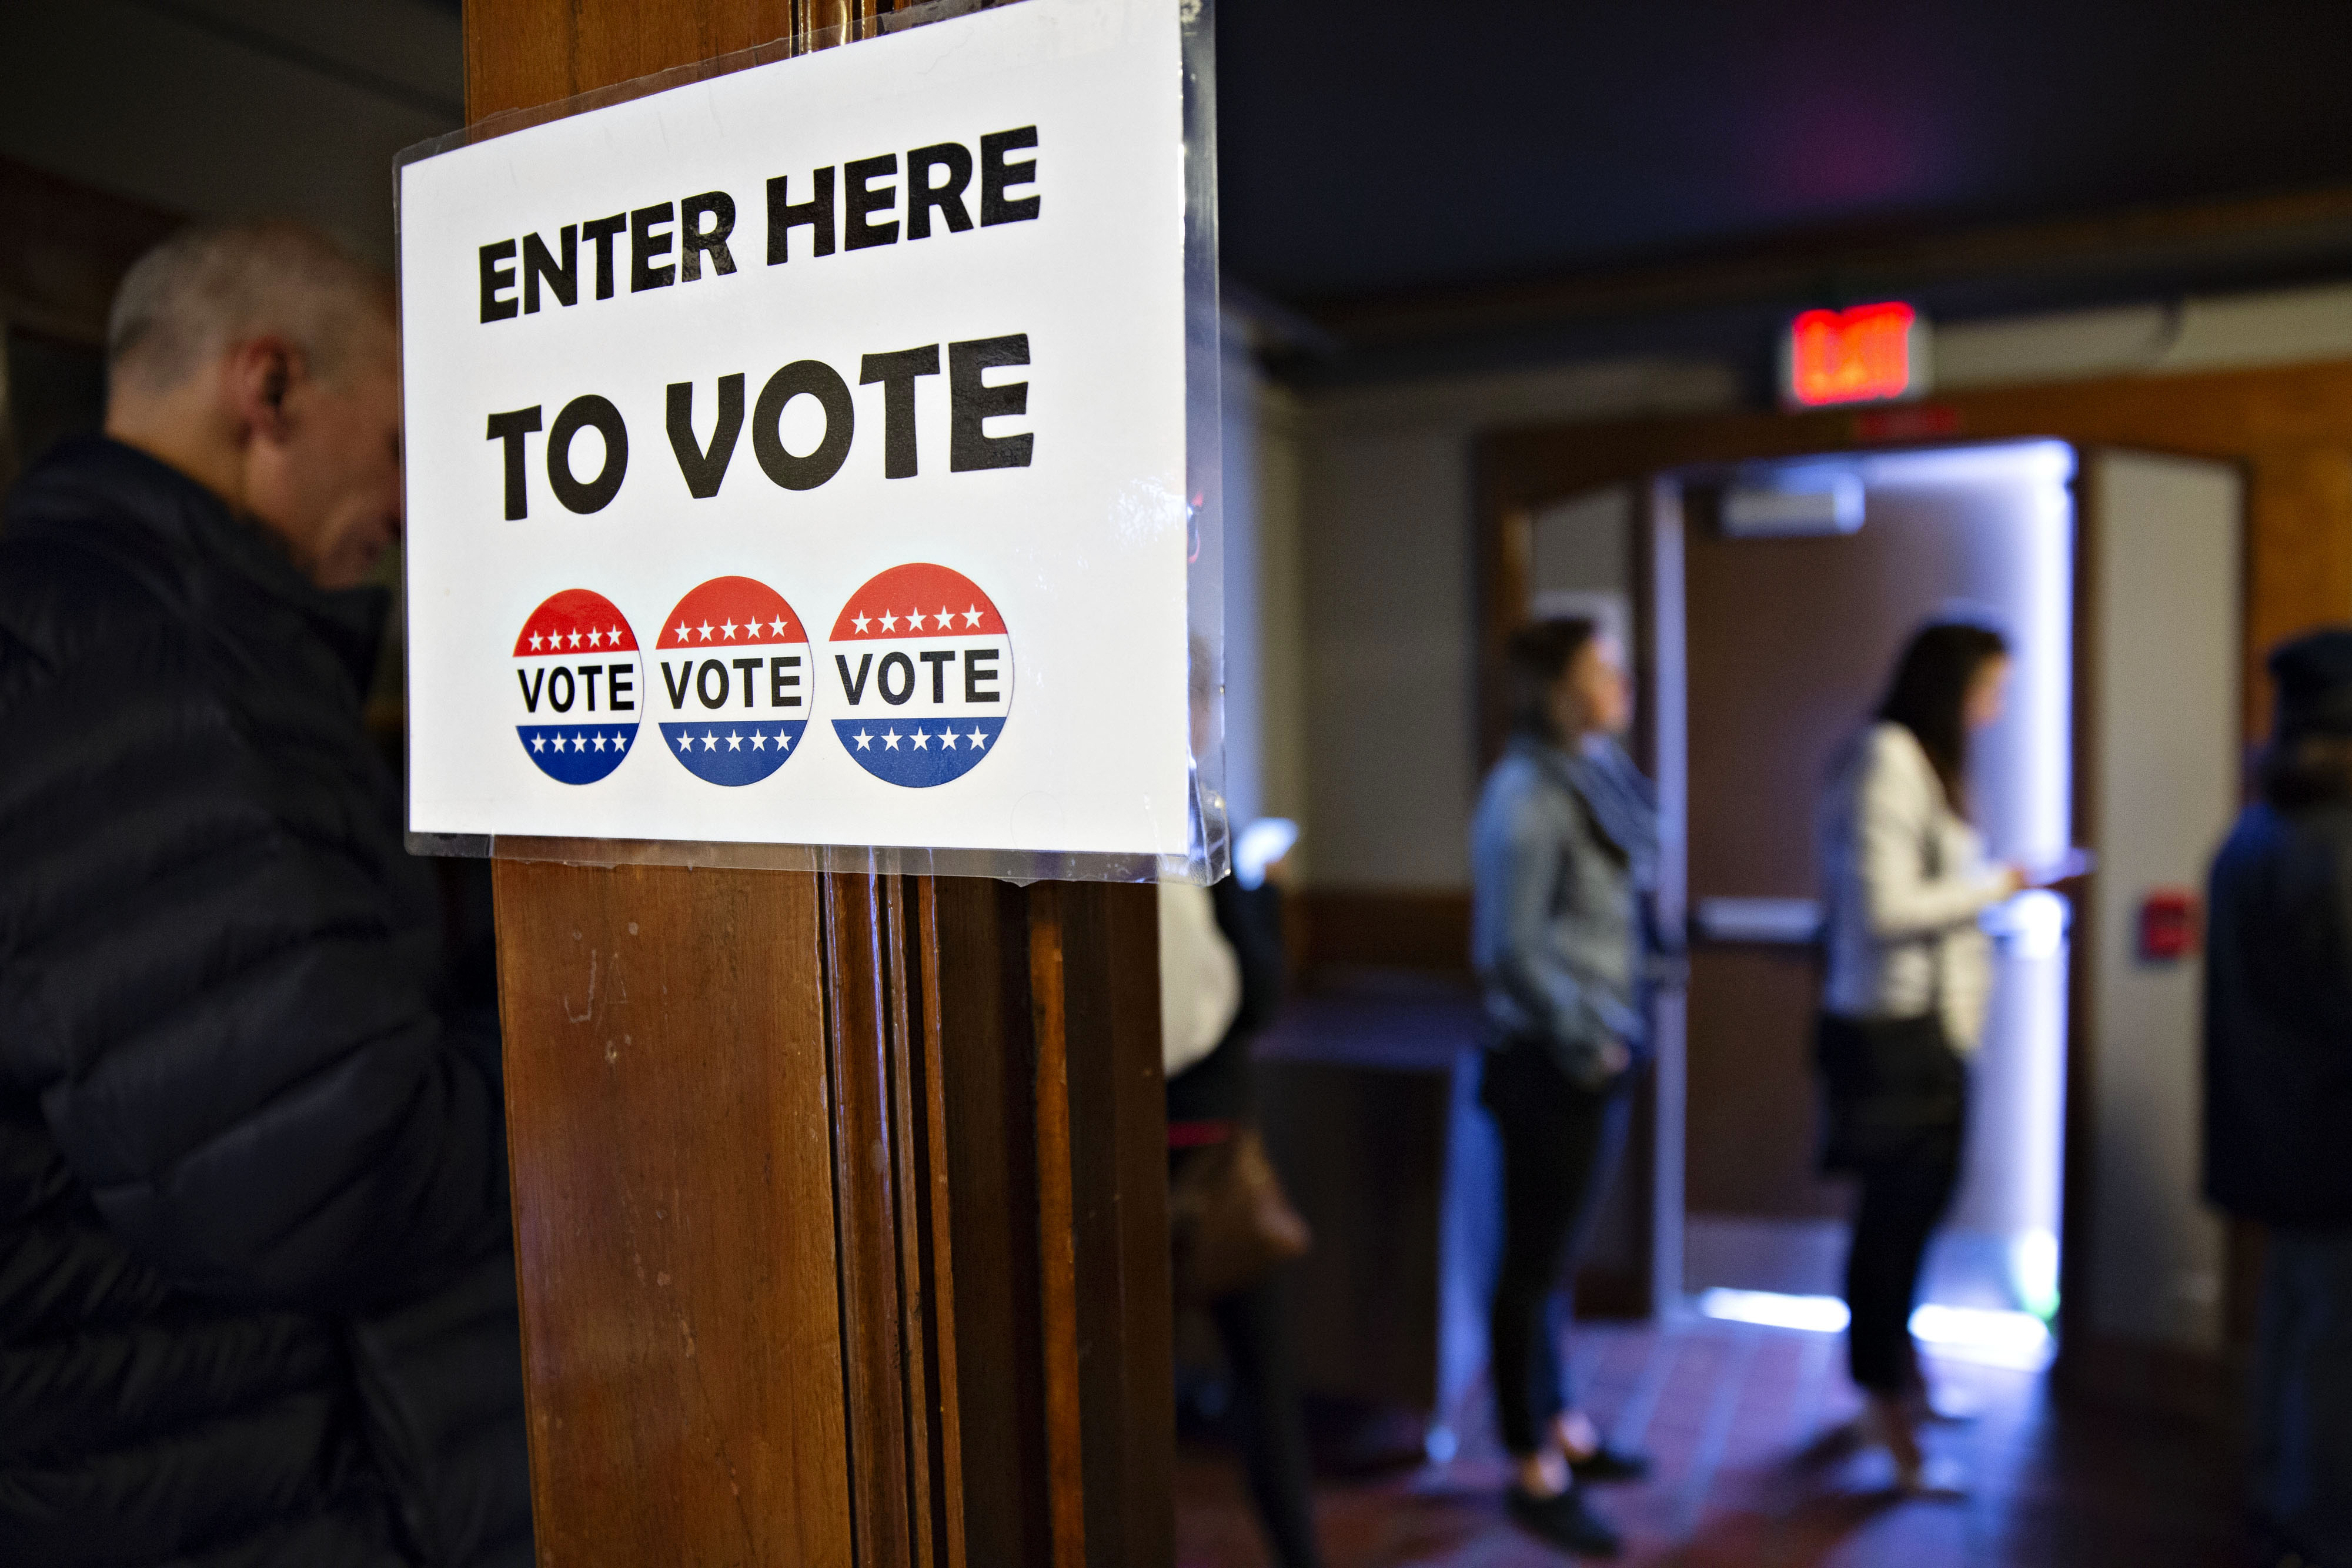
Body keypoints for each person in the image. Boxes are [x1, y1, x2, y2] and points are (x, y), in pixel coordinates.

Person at [0, 222, 531, 1566]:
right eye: (404, 445)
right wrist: (593, 1043)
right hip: (249, 1486)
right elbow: (328, 1170)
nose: (414, 509)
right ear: (272, 389)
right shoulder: (144, 662)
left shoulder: (117, 623)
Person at [1815, 620, 2024, 1492]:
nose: (1996, 707)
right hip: (1892, 1036)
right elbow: (1887, 908)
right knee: (1891, 1229)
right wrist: (2002, 885)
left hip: (1926, 1035)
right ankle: (1883, 1413)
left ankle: (1902, 1385)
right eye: (1987, 687)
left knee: (1911, 1222)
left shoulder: (1917, 763)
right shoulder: (1887, 759)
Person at [1471, 617, 1656, 1559]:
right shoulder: (1525, 794)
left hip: (1594, 1055)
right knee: (1530, 1265)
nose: (1621, 679)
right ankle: (1527, 1461)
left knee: (1555, 1261)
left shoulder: (1593, 772)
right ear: (1555, 687)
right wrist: (1596, 1032)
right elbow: (1508, 950)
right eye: (1601, 667)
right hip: (1552, 1063)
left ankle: (1562, 1424)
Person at [1163, 643, 1321, 1568]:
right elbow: (1259, 993)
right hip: (1215, 1140)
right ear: (1194, 712)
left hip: (1114, 1139)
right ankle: (1298, 1555)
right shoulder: (1205, 825)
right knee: (1263, 1380)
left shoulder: (1078, 826)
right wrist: (1267, 898)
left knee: (1121, 1379)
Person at [2206, 628, 2352, 1568]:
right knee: (2332, 1346)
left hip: (2271, 1134)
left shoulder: (2252, 834)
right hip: (2336, 1137)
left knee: (2292, 1326)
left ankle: (2276, 1501)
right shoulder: (2337, 848)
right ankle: (2319, 1531)